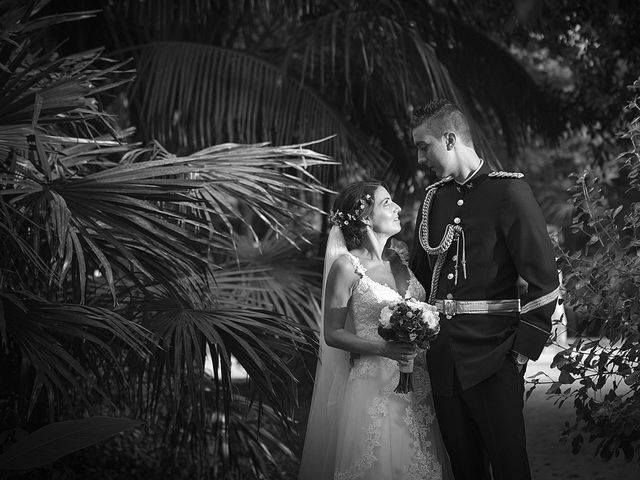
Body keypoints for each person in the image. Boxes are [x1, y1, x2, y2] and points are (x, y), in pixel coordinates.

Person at [409, 98, 560, 480]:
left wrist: (519, 356)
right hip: (444, 359)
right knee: (465, 470)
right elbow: (419, 279)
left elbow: (543, 281)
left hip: (495, 357)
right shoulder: (433, 201)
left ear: (449, 139)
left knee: (510, 467)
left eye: (423, 146)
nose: (420, 157)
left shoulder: (509, 193)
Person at [298, 180, 453, 480]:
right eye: (387, 203)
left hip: (417, 384)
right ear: (366, 217)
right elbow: (332, 333)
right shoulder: (347, 267)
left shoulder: (400, 260)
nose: (397, 208)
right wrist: (384, 349)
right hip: (373, 388)